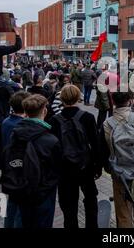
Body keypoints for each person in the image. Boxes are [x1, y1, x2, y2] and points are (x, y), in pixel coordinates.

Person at [50, 85, 101, 228]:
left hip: (65, 168)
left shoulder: (54, 120)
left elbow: (53, 148)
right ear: (78, 98)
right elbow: (95, 144)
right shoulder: (88, 117)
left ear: (62, 99)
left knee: (69, 205)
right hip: (86, 166)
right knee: (91, 199)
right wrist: (97, 167)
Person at [9, 95, 61, 228]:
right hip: (43, 193)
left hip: (22, 187)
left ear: (26, 112)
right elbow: (56, 169)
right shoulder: (50, 139)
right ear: (44, 111)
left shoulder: (15, 133)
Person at [101, 91, 134, 228]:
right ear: (130, 100)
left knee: (123, 214)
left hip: (119, 174)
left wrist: (110, 169)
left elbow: (104, 152)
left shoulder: (106, 124)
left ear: (113, 101)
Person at [1, 91, 31, 228]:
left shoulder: (6, 121)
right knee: (22, 209)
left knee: (12, 204)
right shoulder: (23, 125)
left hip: (9, 167)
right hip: (21, 168)